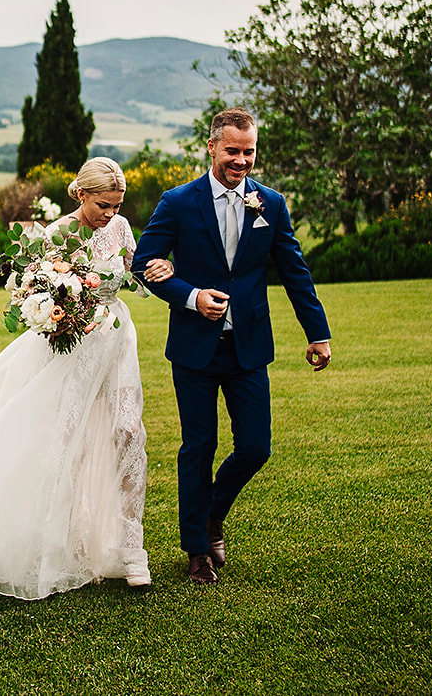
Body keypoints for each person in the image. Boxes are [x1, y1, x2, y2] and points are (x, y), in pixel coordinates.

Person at [0, 158, 175, 597]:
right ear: (80, 194)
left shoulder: (120, 229)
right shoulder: (56, 235)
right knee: (65, 442)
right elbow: (33, 297)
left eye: (117, 206)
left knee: (127, 431)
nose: (111, 214)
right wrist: (58, 312)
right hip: (72, 346)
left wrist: (157, 273)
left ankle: (131, 551)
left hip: (116, 341)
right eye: (103, 205)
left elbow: (135, 272)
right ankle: (64, 548)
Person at [133, 107, 333, 587]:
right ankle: (196, 551)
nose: (242, 162)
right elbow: (144, 261)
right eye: (233, 152)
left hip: (248, 348)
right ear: (211, 148)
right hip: (194, 349)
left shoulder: (271, 204)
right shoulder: (179, 202)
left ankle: (211, 515)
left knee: (256, 447)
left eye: (249, 153)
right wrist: (189, 295)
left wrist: (317, 332)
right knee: (198, 447)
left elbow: (294, 270)